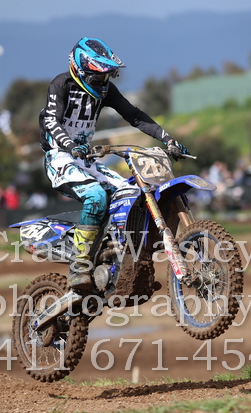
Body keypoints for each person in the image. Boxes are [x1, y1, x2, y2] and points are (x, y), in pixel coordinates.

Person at [39, 37, 189, 290]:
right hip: (60, 157)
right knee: (96, 196)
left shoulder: (106, 90)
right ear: (79, 70)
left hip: (86, 158)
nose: (103, 82)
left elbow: (135, 115)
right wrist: (71, 146)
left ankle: (127, 260)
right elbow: (51, 121)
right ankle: (79, 264)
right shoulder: (61, 84)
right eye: (97, 77)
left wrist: (168, 139)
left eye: (106, 76)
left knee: (132, 194)